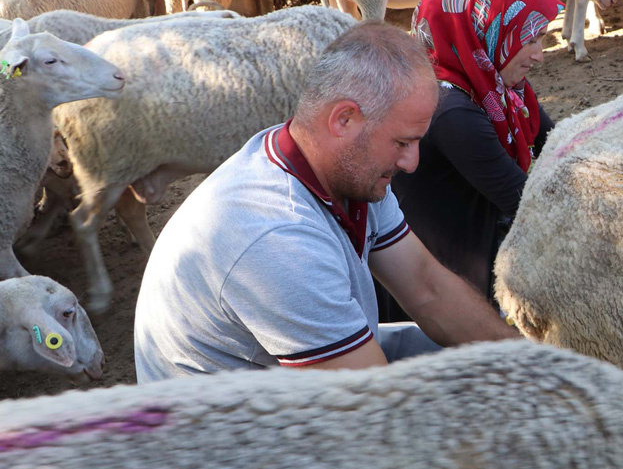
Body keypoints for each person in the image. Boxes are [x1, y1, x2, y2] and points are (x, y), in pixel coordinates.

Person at [133, 22, 518, 382]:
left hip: (282, 388)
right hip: (223, 441)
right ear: (344, 120)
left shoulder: (347, 172)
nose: (411, 162)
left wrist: (536, 368)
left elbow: (426, 287)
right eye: (402, 143)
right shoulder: (276, 239)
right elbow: (372, 405)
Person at [386, 0, 563, 305]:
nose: (540, 55)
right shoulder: (452, 111)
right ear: (487, 32)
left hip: (473, 257)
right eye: (529, 39)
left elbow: (558, 143)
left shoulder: (502, 91)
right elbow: (527, 201)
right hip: (442, 290)